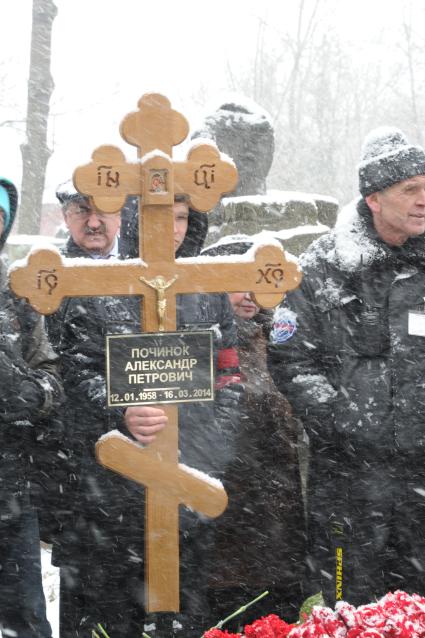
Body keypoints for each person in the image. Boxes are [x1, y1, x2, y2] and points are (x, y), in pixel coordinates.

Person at [50, 186, 242, 637]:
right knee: (110, 613)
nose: (170, 230)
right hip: (114, 490)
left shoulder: (208, 289)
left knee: (181, 608)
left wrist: (211, 446)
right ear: (134, 219)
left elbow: (230, 376)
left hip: (191, 477)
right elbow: (77, 378)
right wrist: (122, 412)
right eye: (160, 218)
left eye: (180, 219)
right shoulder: (99, 286)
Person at [268, 126, 425, 607]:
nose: (423, 201)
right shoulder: (321, 266)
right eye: (410, 190)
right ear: (374, 199)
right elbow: (289, 357)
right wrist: (344, 421)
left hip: (422, 475)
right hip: (349, 478)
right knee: (348, 605)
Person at [201, 236, 306, 628]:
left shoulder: (281, 338)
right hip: (225, 507)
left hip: (277, 517)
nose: (249, 296)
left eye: (256, 285)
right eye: (237, 283)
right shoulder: (206, 340)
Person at [0, 177, 63, 637]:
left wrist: (32, 392)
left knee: (26, 619)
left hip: (9, 488)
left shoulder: (18, 297)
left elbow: (50, 373)